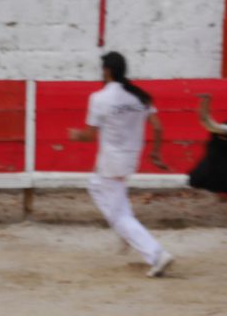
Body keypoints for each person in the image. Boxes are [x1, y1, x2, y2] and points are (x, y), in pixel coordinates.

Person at [67, 51, 175, 278]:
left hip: (111, 161)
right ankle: (127, 233)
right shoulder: (139, 97)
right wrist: (155, 153)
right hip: (130, 158)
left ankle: (156, 253)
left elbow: (89, 136)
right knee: (102, 191)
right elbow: (158, 127)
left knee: (117, 214)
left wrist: (76, 135)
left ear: (107, 70)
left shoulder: (100, 98)